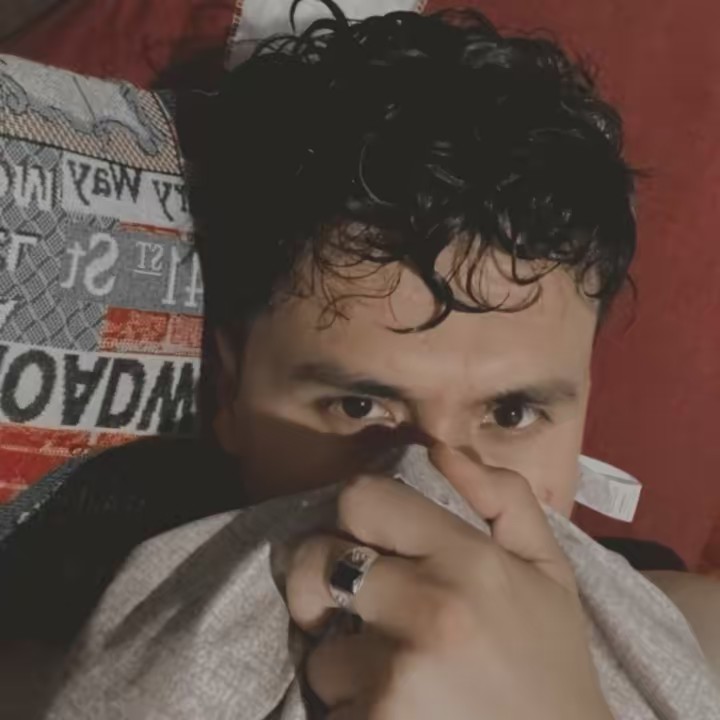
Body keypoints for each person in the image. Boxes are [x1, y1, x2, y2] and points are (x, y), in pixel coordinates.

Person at [1, 1, 718, 716]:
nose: (435, 489)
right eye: (359, 406)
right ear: (231, 390)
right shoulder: (67, 661)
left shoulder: (688, 634)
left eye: (510, 414)